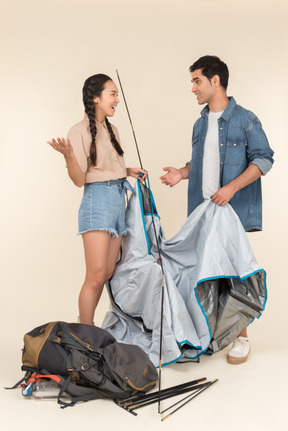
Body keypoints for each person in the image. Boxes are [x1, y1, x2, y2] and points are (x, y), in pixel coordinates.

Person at [160, 56, 274, 364]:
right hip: (203, 210)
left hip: (229, 210)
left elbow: (264, 159)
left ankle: (241, 338)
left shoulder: (245, 119)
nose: (192, 88)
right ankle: (208, 332)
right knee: (206, 272)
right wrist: (179, 174)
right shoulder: (199, 123)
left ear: (215, 81)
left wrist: (232, 188)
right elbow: (198, 164)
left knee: (234, 270)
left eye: (197, 80)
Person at [48, 74, 146, 326]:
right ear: (95, 98)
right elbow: (80, 179)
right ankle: (86, 333)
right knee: (94, 277)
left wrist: (127, 171)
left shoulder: (113, 130)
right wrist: (68, 156)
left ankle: (86, 322)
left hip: (117, 200)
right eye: (112, 94)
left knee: (107, 272)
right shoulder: (78, 131)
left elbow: (104, 167)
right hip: (98, 203)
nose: (117, 100)